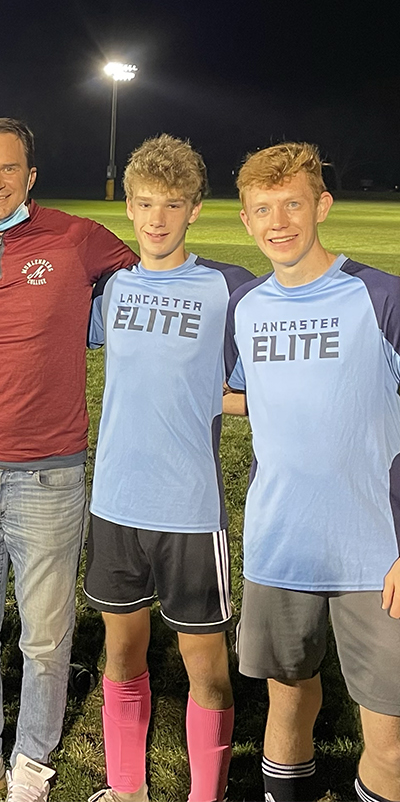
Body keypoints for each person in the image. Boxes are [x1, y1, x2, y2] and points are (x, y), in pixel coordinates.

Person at [0, 118, 138, 802]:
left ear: (30, 175)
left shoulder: (76, 236)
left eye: (8, 169)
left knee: (46, 639)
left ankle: (32, 762)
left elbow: (143, 272)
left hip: (48, 473)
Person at [224, 142, 400, 802]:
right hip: (281, 548)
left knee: (389, 742)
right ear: (245, 219)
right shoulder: (248, 307)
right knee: (288, 705)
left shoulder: (380, 297)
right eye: (262, 208)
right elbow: (243, 391)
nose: (278, 221)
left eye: (292, 204)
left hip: (377, 557)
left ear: (321, 205)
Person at [82, 136, 252, 802]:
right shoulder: (111, 288)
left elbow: (270, 389)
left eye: (172, 205)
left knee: (205, 665)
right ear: (128, 206)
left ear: (195, 211)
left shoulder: (227, 289)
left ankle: (204, 796)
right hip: (116, 503)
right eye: (145, 203)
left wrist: (216, 398)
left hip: (190, 508)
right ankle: (128, 790)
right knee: (121, 655)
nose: (156, 219)